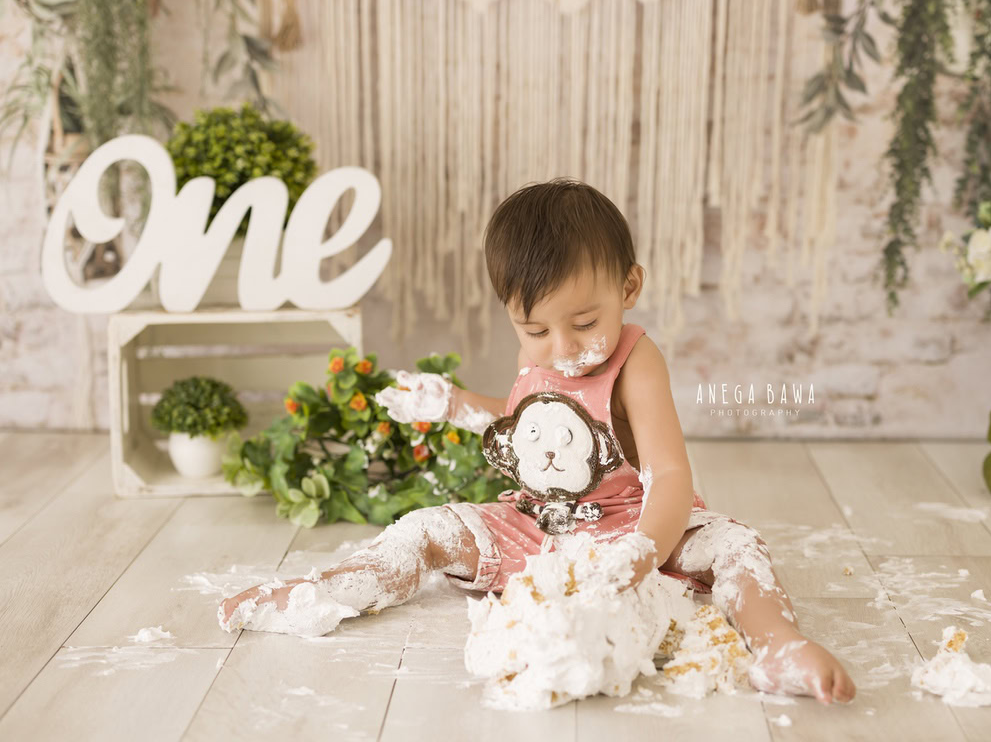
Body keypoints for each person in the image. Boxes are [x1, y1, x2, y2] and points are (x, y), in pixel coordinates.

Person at [219, 178, 856, 704]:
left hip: (633, 523)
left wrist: (640, 551)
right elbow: (526, 420)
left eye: (584, 323)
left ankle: (776, 646)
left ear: (628, 289)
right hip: (538, 525)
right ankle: (319, 594)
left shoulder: (636, 359)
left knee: (736, 547)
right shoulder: (544, 356)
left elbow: (668, 473)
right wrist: (458, 405)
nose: (563, 349)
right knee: (424, 529)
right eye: (534, 330)